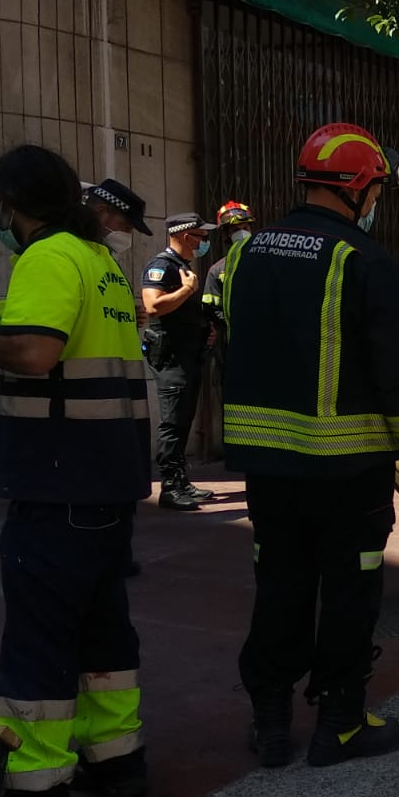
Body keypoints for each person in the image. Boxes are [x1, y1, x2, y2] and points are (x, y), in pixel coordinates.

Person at [0, 145, 152, 797]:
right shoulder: (101, 263)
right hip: (106, 479)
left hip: (58, 481)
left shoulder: (50, 259)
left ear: (13, 207)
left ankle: (34, 796)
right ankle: (117, 760)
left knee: (39, 640)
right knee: (100, 627)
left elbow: (34, 354)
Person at [222, 123, 399, 769]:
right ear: (360, 187)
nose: (377, 202)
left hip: (266, 465)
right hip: (347, 471)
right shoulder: (360, 260)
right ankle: (339, 724)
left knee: (279, 583)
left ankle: (270, 722)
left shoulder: (244, 254)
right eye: (377, 189)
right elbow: (395, 369)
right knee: (350, 588)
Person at [85, 177, 153, 576]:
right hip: (94, 400)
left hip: (118, 398)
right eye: (125, 225)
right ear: (101, 212)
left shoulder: (104, 258)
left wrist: (132, 314)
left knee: (118, 491)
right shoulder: (69, 256)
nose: (126, 234)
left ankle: (115, 555)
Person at [141, 212, 217, 510]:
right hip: (171, 358)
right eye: (203, 237)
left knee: (183, 419)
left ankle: (181, 480)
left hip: (187, 356)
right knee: (173, 422)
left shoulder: (182, 267)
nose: (205, 243)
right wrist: (186, 290)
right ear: (187, 237)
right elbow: (152, 305)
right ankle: (170, 486)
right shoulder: (162, 266)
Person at [200, 199, 255, 378]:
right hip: (230, 344)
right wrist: (233, 322)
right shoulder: (217, 270)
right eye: (235, 230)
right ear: (225, 234)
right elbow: (210, 308)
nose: (241, 233)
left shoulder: (265, 262)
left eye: (245, 228)